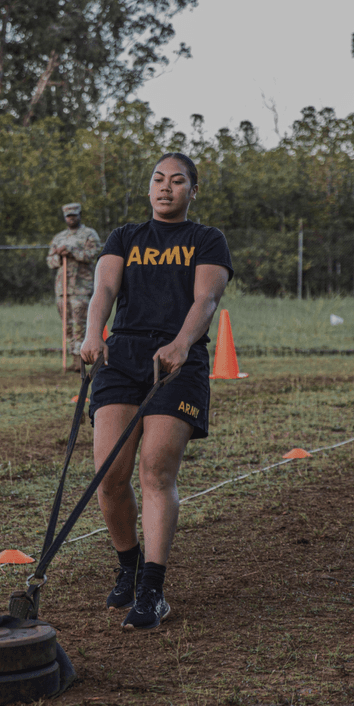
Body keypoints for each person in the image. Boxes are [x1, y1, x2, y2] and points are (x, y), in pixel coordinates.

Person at [80, 153, 233, 631]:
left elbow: (205, 299)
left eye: (178, 181)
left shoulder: (206, 240)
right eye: (158, 179)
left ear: (193, 190)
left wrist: (181, 344)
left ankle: (152, 589)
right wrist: (92, 333)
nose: (166, 188)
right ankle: (128, 566)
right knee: (109, 475)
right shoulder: (124, 237)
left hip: (177, 362)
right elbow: (104, 289)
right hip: (122, 357)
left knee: (155, 470)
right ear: (149, 188)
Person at [46, 203, 101, 371]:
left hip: (81, 287)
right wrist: (59, 255)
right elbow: (50, 261)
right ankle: (72, 359)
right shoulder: (59, 237)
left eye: (74, 215)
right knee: (67, 325)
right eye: (68, 216)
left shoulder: (88, 234)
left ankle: (82, 360)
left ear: (79, 215)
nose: (71, 219)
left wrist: (72, 252)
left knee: (80, 323)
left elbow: (94, 254)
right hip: (62, 289)